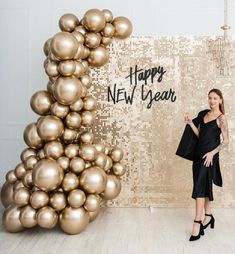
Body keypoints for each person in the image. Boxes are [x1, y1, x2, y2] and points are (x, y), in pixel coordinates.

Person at [176, 88, 229, 241]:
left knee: (199, 189)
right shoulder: (204, 115)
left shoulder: (221, 118)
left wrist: (212, 153)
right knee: (204, 187)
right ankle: (209, 216)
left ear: (220, 100)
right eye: (210, 98)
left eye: (214, 98)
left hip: (209, 158)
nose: (211, 101)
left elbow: (226, 141)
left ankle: (197, 222)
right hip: (198, 157)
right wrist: (190, 123)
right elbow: (200, 136)